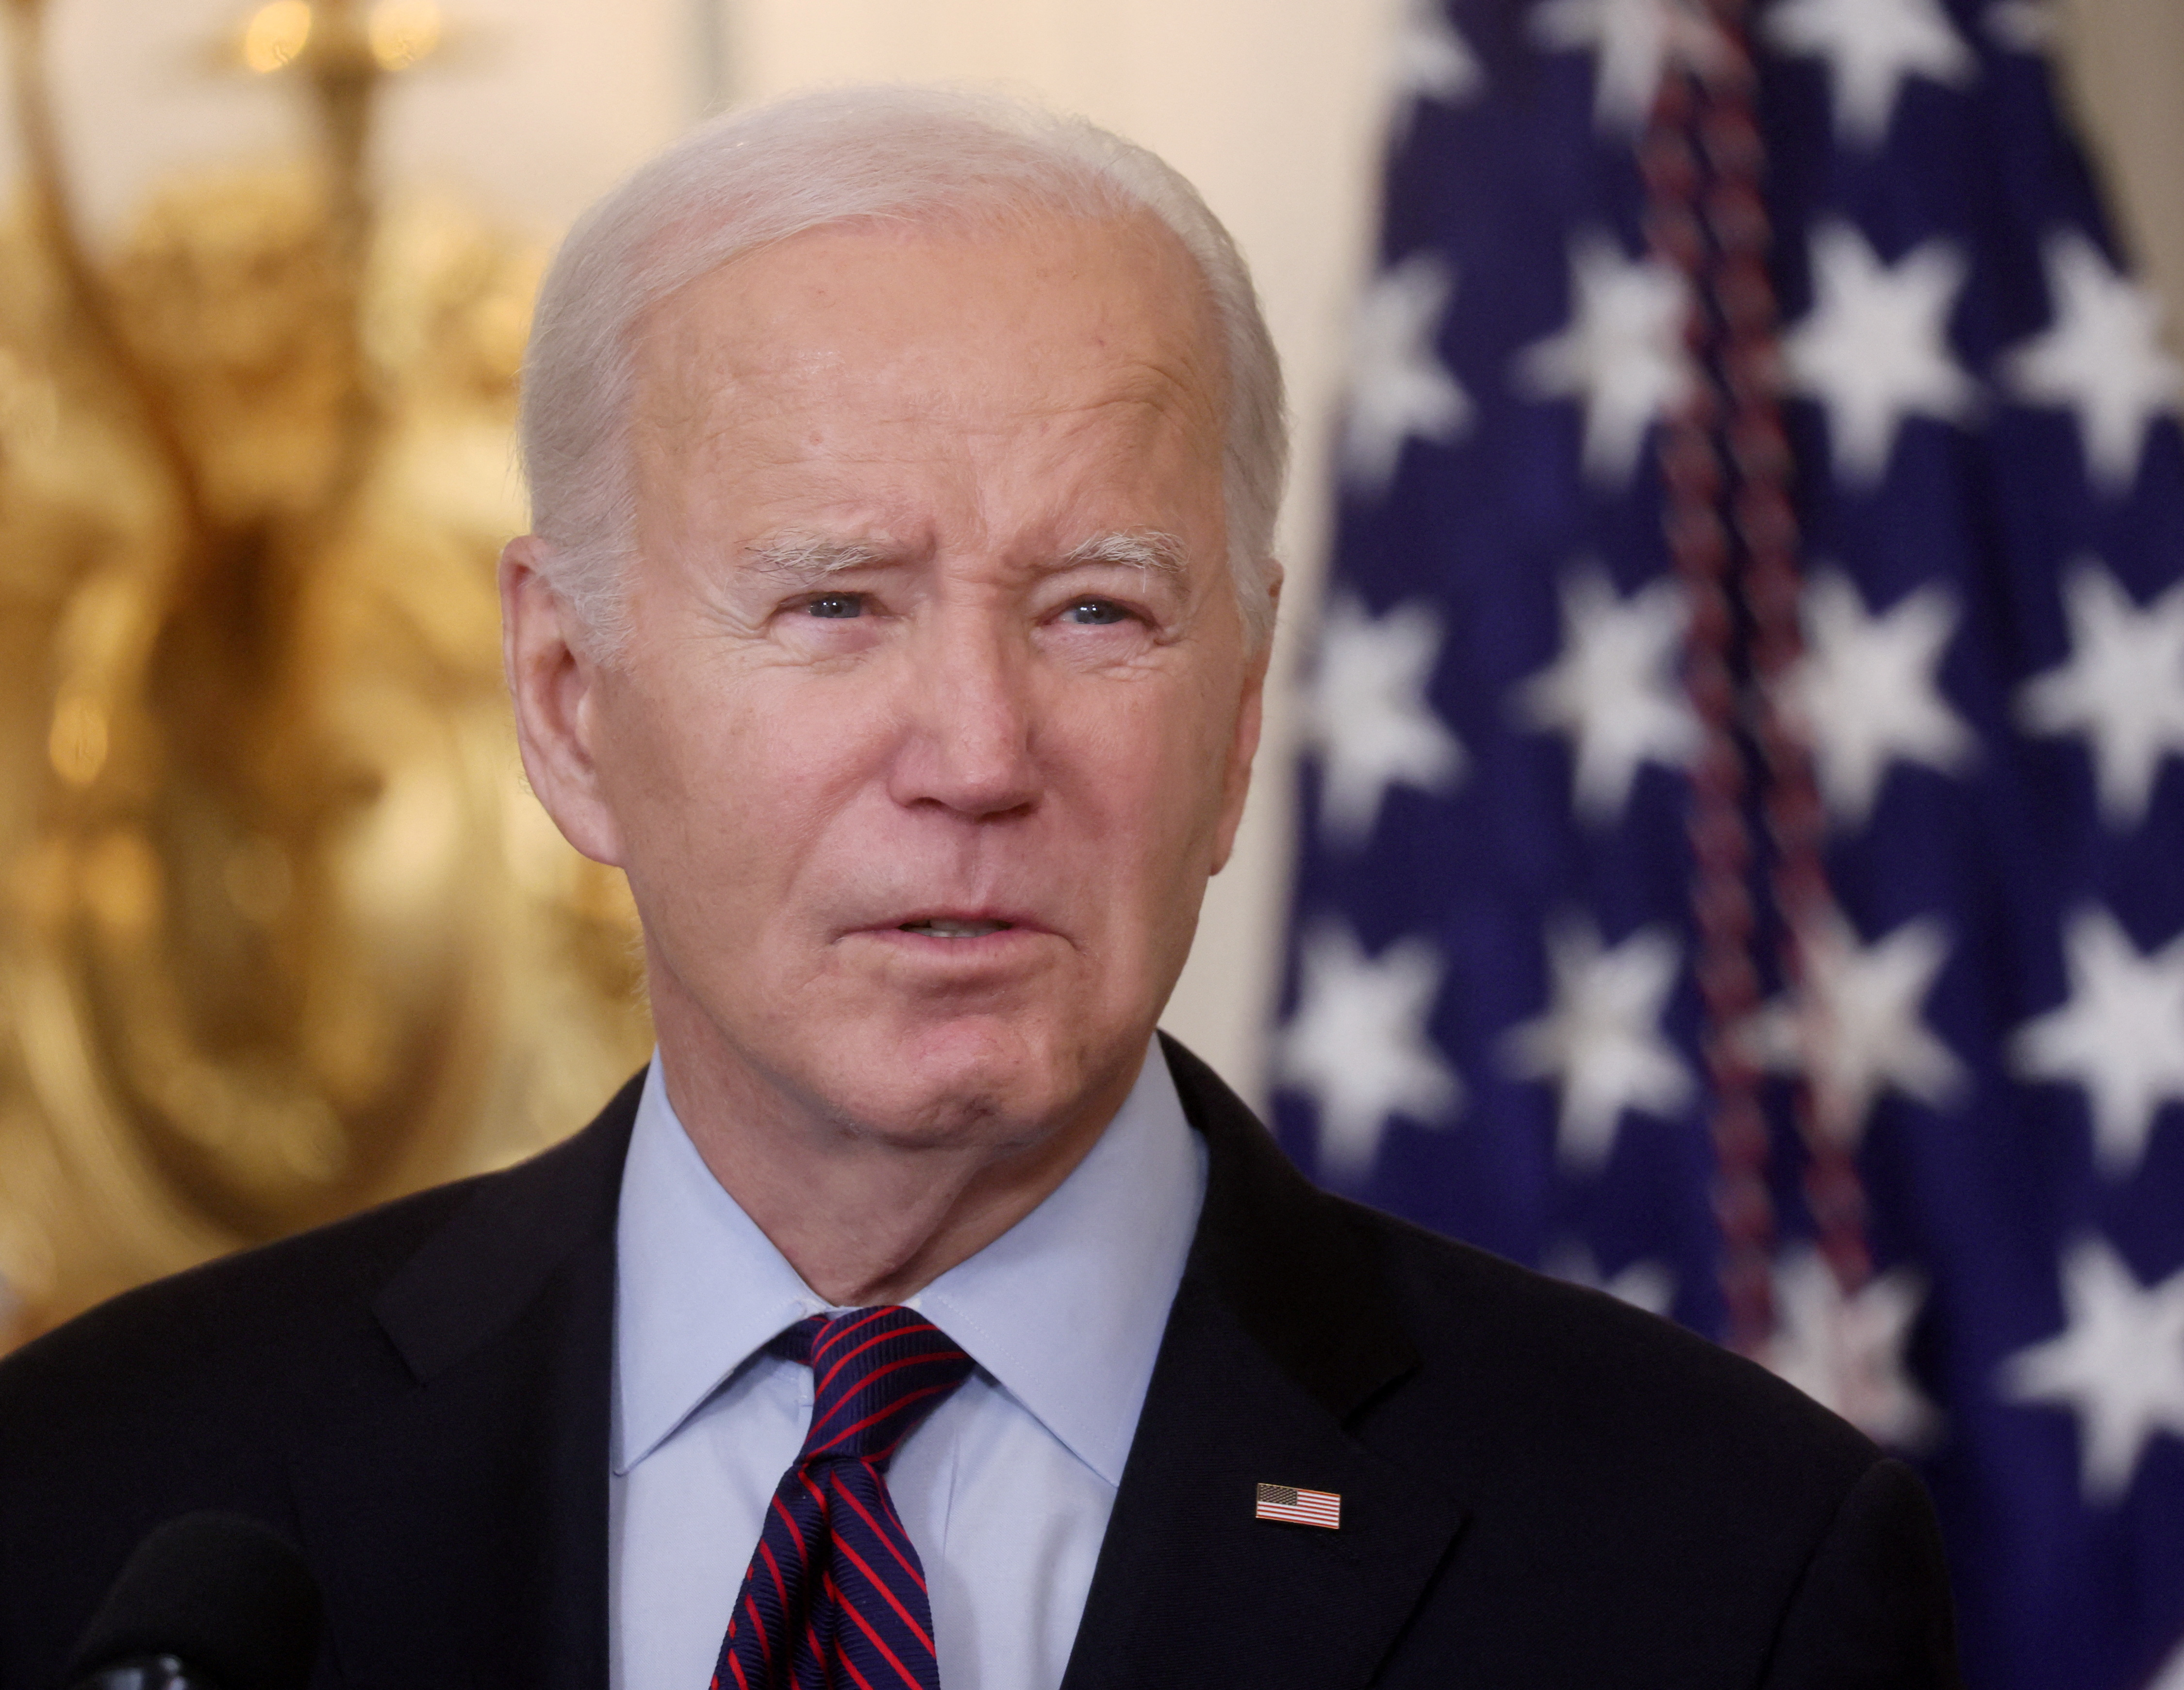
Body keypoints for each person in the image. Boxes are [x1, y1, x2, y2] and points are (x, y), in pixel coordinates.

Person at [0, 87, 1961, 1690]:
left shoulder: (1714, 1571)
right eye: (836, 604)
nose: (977, 752)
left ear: (1241, 709)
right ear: (569, 699)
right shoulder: (92, 1505)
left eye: (1096, 609)